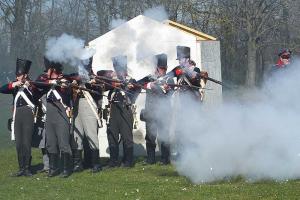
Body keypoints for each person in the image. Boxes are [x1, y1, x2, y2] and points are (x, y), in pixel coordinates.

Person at [36, 57, 74, 178]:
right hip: (50, 113)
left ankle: (66, 169)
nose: (46, 72)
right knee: (51, 142)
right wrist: (52, 81)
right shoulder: (46, 80)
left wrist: (62, 83)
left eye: (48, 69)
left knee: (63, 142)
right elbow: (37, 83)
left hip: (61, 112)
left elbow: (67, 91)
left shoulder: (65, 78)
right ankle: (54, 168)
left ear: (53, 69)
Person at [0, 58, 38, 176]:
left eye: (20, 75)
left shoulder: (31, 85)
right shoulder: (15, 85)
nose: (18, 77)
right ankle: (21, 168)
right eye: (17, 75)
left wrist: (29, 86)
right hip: (17, 115)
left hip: (27, 113)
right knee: (19, 143)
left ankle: (27, 168)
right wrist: (14, 84)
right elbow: (2, 89)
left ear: (25, 75)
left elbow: (37, 93)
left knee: (26, 142)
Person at [138, 53, 174, 165]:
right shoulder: (150, 78)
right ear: (156, 68)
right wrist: (149, 85)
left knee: (164, 136)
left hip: (163, 112)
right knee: (150, 137)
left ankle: (165, 159)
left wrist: (157, 87)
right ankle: (150, 159)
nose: (162, 70)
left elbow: (169, 92)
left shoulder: (169, 80)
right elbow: (137, 83)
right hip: (150, 111)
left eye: (164, 68)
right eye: (161, 68)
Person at [106, 55, 139, 168]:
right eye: (116, 68)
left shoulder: (131, 80)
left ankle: (128, 161)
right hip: (113, 110)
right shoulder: (111, 81)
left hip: (125, 109)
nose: (118, 71)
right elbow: (104, 83)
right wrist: (115, 82)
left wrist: (128, 85)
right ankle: (113, 161)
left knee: (127, 137)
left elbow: (135, 88)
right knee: (112, 136)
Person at [72, 57, 103, 173]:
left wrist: (91, 84)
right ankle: (78, 164)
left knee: (91, 134)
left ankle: (96, 164)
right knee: (77, 135)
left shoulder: (95, 78)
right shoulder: (76, 76)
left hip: (89, 105)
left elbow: (99, 94)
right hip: (76, 106)